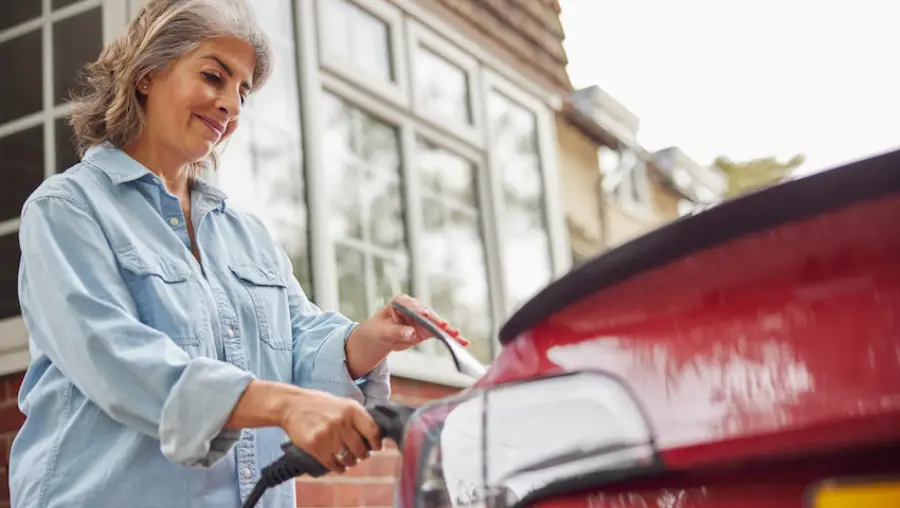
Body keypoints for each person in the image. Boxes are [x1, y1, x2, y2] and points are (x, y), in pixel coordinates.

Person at [8, 1, 468, 507]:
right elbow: (112, 357)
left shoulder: (244, 233)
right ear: (147, 74)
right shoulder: (67, 210)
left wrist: (366, 340)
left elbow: (297, 339)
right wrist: (281, 404)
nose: (230, 104)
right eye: (213, 76)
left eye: (243, 92)